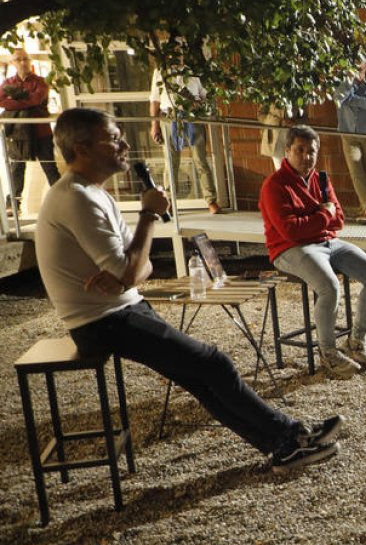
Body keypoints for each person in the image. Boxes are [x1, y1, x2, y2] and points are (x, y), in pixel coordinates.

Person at [38, 108, 343, 471]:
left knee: (203, 377)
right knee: (214, 364)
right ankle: (289, 437)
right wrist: (148, 218)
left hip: (121, 307)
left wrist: (125, 272)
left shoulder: (92, 193)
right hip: (102, 321)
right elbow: (133, 270)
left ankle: (282, 444)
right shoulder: (76, 197)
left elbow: (141, 268)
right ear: (82, 148)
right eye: (113, 138)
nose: (124, 145)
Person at [261, 125, 366, 377]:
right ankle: (328, 353)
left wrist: (317, 218)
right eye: (300, 150)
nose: (306, 157)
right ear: (287, 151)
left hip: (327, 242)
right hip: (290, 249)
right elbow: (291, 232)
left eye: (312, 151)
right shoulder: (274, 185)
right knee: (329, 287)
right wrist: (322, 214)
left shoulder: (320, 179)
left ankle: (356, 341)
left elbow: (339, 219)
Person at [149, 66, 219, 214]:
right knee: (171, 163)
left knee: (201, 161)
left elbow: (205, 97)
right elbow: (154, 100)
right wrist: (154, 124)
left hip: (192, 118)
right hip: (168, 118)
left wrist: (197, 103)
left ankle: (211, 200)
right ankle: (169, 202)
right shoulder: (161, 71)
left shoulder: (193, 71)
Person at [1, 49, 60, 214]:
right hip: (19, 134)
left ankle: (64, 200)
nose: (22, 62)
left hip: (40, 132)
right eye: (18, 59)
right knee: (16, 168)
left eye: (25, 59)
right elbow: (1, 101)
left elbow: (36, 99)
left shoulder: (40, 82)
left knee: (49, 168)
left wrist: (13, 101)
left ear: (30, 61)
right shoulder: (8, 83)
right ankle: (12, 205)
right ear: (13, 62)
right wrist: (24, 102)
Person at [335, 59, 366, 225]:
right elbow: (338, 98)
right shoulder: (343, 80)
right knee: (356, 170)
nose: (357, 67)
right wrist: (350, 81)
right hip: (348, 132)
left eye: (359, 64)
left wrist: (350, 99)